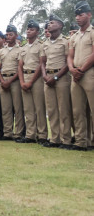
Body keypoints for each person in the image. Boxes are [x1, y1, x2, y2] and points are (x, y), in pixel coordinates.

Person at [40, 15, 72, 148]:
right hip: (48, 78)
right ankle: (54, 139)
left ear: (60, 25)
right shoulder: (45, 43)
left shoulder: (65, 42)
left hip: (61, 78)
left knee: (64, 109)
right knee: (52, 110)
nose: (49, 24)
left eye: (52, 23)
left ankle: (66, 140)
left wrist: (56, 77)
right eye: (49, 23)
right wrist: (45, 75)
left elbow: (67, 62)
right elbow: (42, 62)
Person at [67, 1, 93, 151]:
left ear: (89, 15)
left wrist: (81, 70)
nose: (78, 17)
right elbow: (70, 56)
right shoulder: (74, 36)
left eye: (81, 14)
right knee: (77, 111)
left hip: (88, 74)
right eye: (76, 15)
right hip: (75, 75)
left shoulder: (93, 32)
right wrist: (72, 69)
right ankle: (80, 141)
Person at [17, 20, 48, 144]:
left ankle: (42, 135)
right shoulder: (23, 47)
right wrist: (22, 81)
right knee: (28, 108)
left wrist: (30, 82)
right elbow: (19, 66)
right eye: (28, 29)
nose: (29, 31)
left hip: (37, 79)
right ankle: (30, 135)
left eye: (32, 29)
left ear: (37, 32)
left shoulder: (41, 45)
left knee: (39, 108)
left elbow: (41, 64)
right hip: (24, 77)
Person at [0, 25, 25, 141]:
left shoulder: (20, 50)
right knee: (5, 109)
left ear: (16, 35)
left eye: (11, 34)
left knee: (18, 108)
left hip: (15, 81)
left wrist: (9, 81)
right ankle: (7, 133)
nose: (8, 36)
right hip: (3, 80)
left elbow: (20, 68)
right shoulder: (2, 51)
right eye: (7, 34)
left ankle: (18, 133)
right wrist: (3, 81)